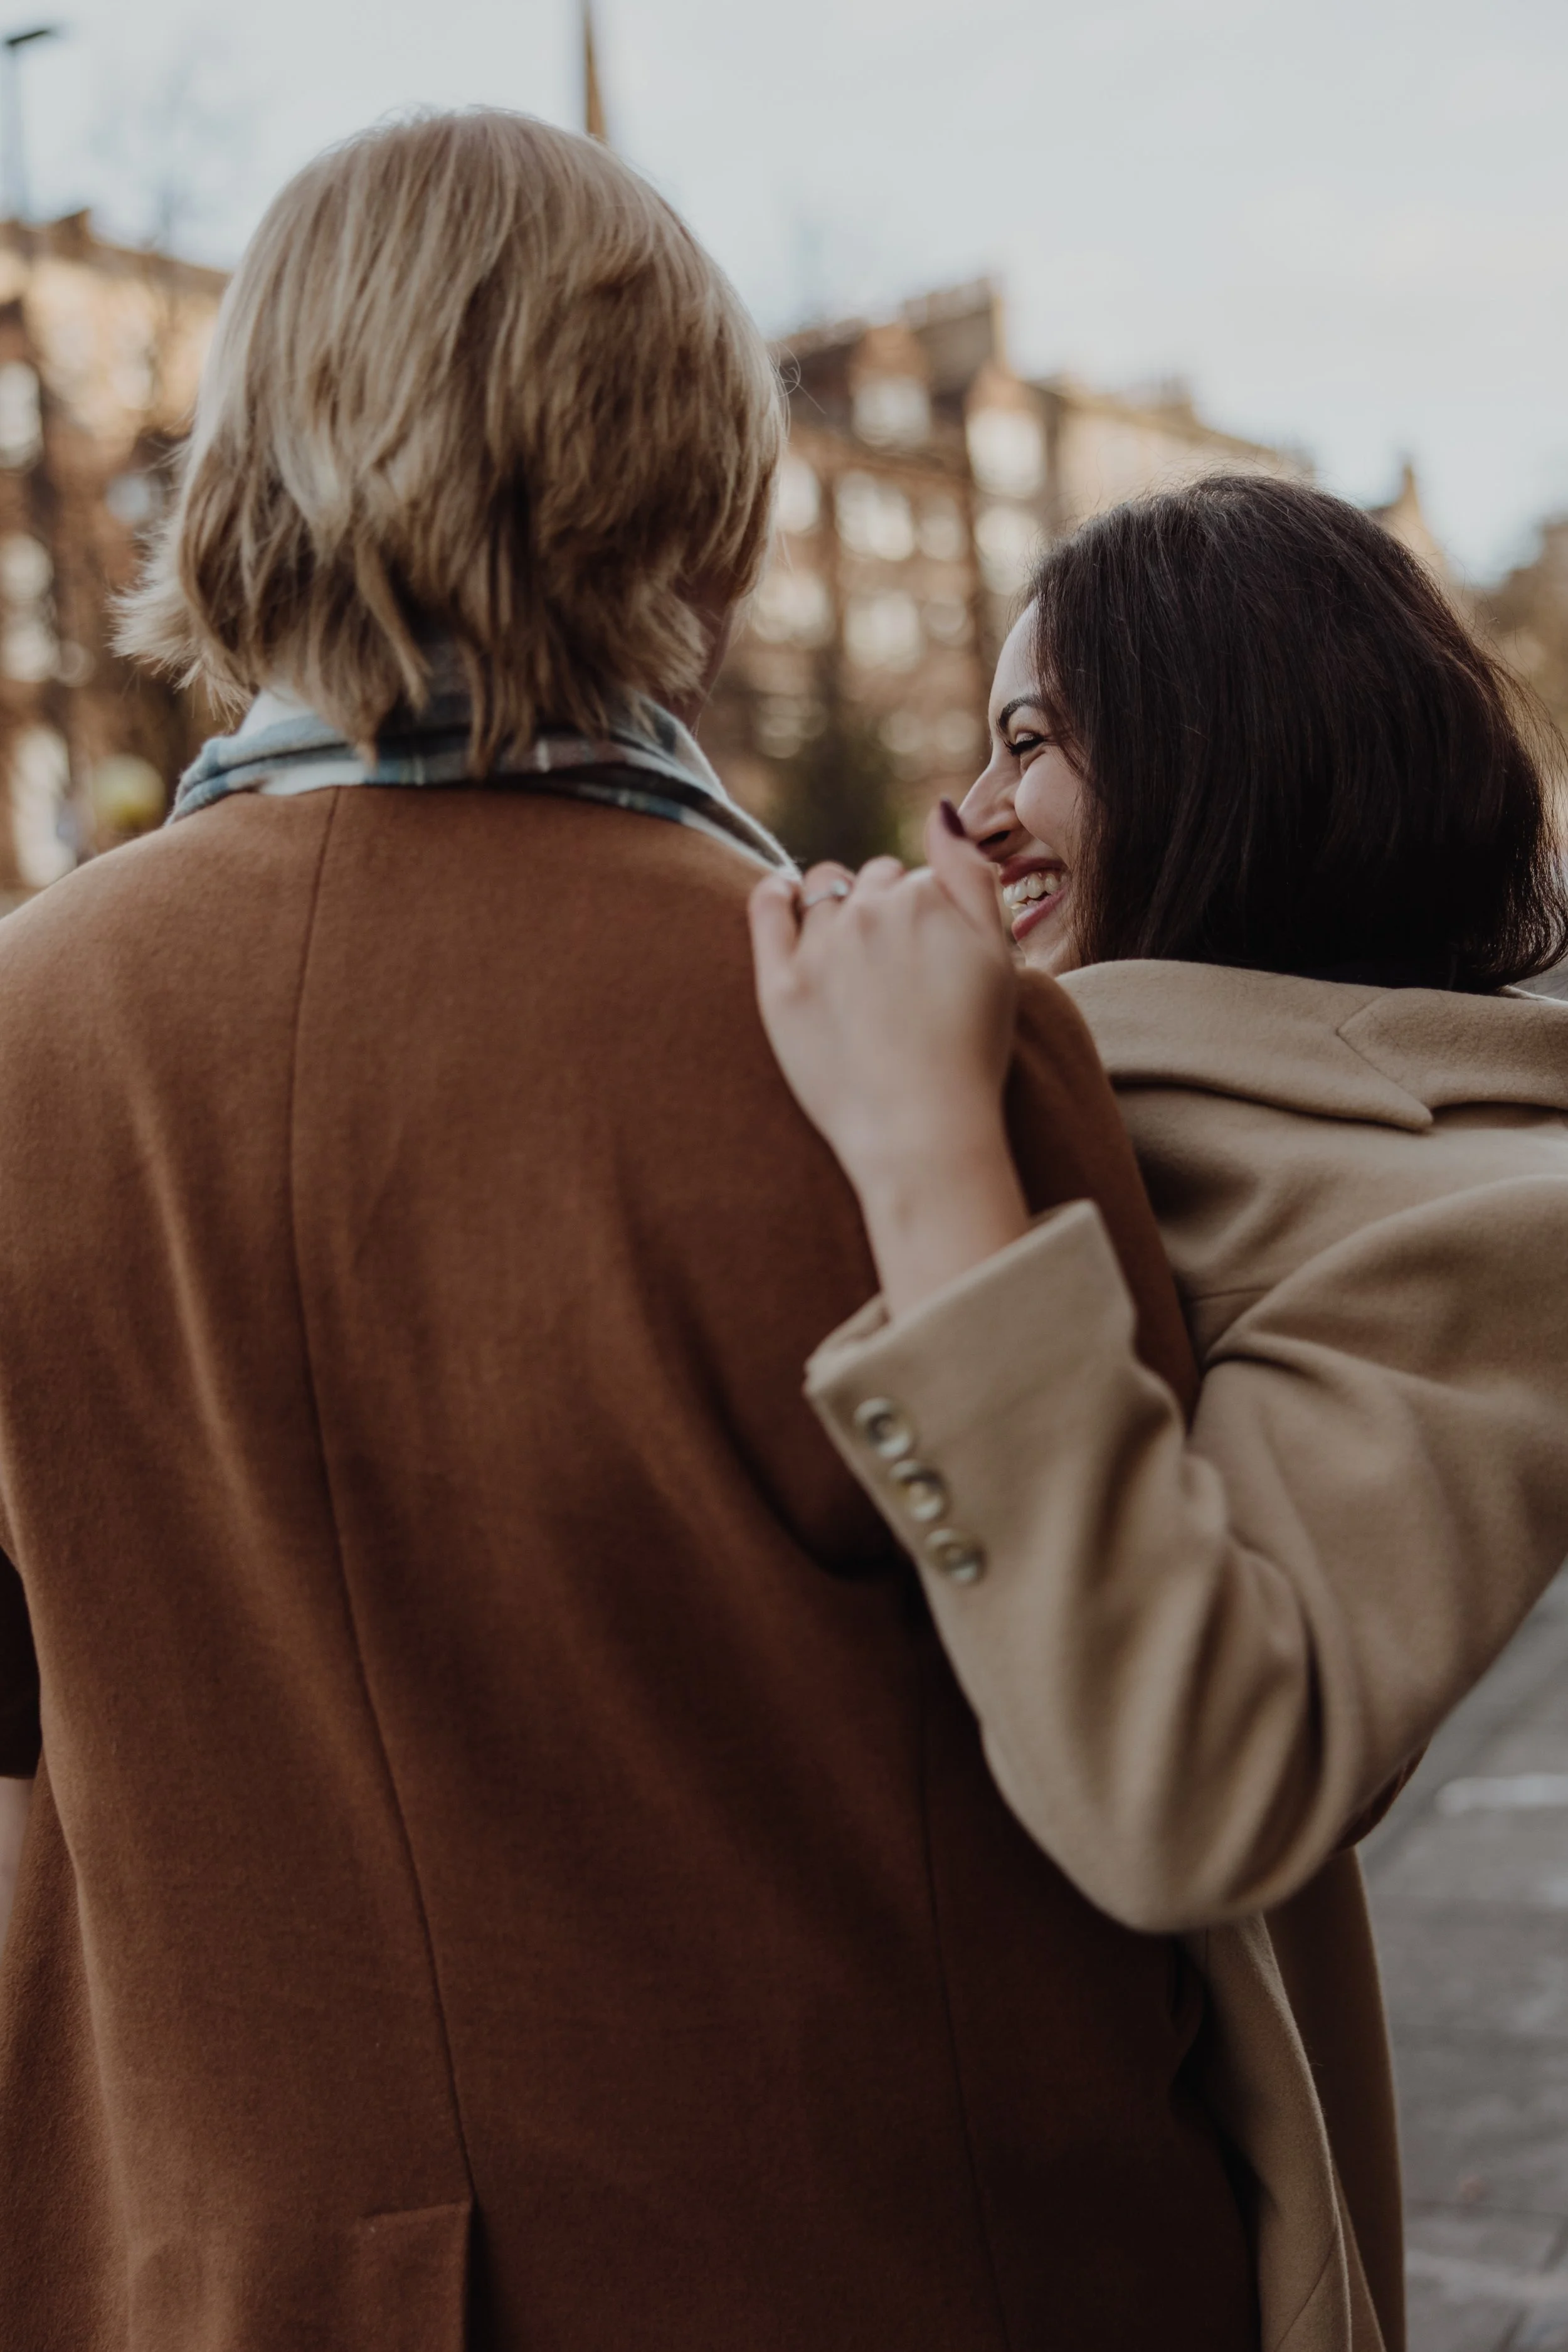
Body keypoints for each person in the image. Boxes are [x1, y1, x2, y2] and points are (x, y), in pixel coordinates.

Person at [0, 112, 1306, 2352]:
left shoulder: (26, 1032)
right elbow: (1128, 1748)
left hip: (215, 2275)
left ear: (234, 479)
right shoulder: (898, 1028)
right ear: (701, 514)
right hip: (901, 2260)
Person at [750, 471, 1568, 2352]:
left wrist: (935, 1141)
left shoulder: (1488, 1210)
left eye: (1032, 736)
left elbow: (1189, 1769)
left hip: (1139, 2230)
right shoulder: (1073, 1084)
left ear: (1224, 740)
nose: (968, 808)